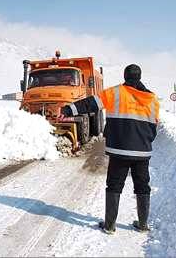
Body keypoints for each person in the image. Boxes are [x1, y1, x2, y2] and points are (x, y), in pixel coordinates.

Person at [59, 64, 160, 234]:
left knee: (114, 186)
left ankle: (110, 226)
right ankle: (142, 225)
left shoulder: (115, 93)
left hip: (120, 150)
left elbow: (90, 103)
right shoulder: (152, 99)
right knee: (142, 186)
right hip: (142, 152)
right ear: (140, 77)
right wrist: (145, 141)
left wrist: (68, 109)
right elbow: (153, 126)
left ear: (125, 76)